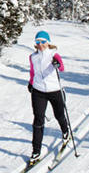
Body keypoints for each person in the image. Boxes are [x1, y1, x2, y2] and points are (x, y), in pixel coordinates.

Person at [27, 30, 69, 165]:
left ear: (48, 42)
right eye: (38, 42)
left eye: (43, 42)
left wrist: (57, 64)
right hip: (38, 91)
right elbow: (33, 72)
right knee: (38, 120)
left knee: (59, 115)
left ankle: (65, 132)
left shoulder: (53, 54)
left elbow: (61, 68)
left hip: (54, 90)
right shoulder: (33, 57)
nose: (40, 45)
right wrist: (31, 83)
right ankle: (36, 151)